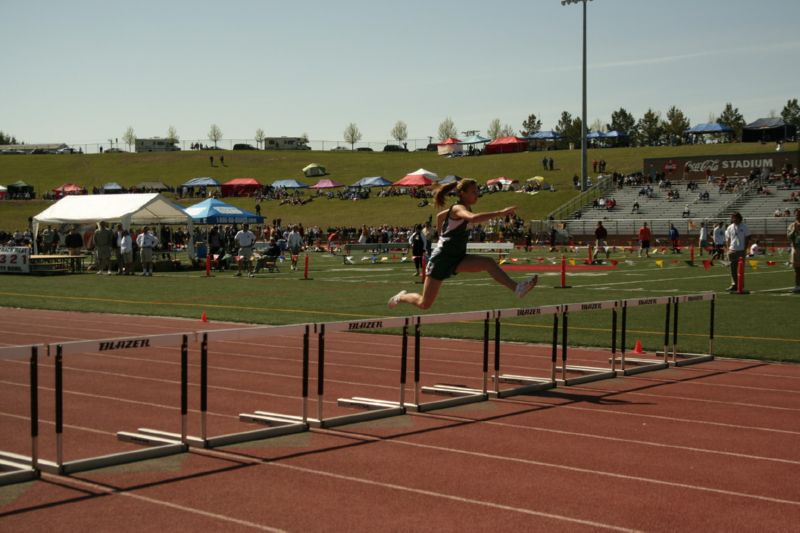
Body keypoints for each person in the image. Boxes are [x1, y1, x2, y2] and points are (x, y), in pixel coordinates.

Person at [388, 179, 537, 309]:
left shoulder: (461, 208)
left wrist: (441, 234)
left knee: (488, 263)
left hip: (458, 257)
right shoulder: (458, 208)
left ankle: (517, 288)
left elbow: (440, 216)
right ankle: (400, 297)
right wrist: (500, 212)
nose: (477, 194)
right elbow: (472, 219)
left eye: (477, 190)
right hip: (442, 260)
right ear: (463, 193)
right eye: (473, 191)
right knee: (424, 304)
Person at [724, 212, 750, 292]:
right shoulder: (730, 227)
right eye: (732, 218)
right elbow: (728, 239)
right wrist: (728, 250)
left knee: (740, 270)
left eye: (735, 217)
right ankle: (734, 285)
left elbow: (747, 238)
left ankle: (740, 285)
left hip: (741, 251)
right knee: (732, 270)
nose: (734, 219)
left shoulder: (744, 226)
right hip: (732, 250)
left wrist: (744, 249)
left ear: (739, 218)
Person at [788, 209, 800, 293]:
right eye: (796, 214)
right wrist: (794, 230)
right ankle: (797, 286)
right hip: (796, 249)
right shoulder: (792, 225)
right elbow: (789, 237)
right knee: (796, 269)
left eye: (798, 214)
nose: (797, 216)